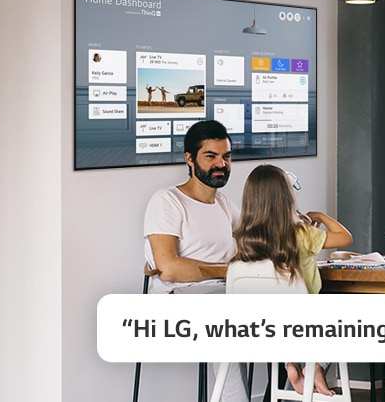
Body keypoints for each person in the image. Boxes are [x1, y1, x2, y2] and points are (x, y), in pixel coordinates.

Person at [143, 120, 249, 402]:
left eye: (226, 156)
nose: (221, 164)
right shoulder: (167, 200)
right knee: (227, 324)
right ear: (189, 159)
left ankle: (298, 384)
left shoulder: (225, 203)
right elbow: (170, 269)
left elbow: (257, 241)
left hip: (220, 294)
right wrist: (229, 271)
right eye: (211, 156)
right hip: (174, 303)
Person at [233, 164, 353, 396]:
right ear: (287, 198)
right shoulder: (300, 233)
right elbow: (345, 237)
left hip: (262, 326)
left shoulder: (244, 239)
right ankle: (317, 365)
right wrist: (320, 216)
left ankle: (291, 363)